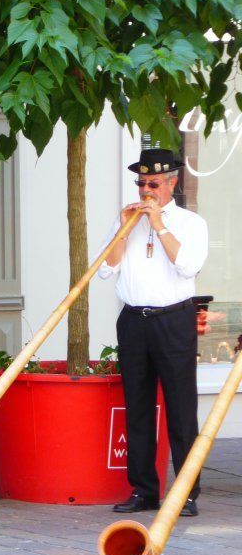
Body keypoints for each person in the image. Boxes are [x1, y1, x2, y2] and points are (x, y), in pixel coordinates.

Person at [99, 148, 209, 517]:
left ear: (172, 183)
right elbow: (105, 269)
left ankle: (186, 493)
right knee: (138, 410)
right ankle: (143, 490)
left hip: (173, 321)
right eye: (142, 183)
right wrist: (123, 228)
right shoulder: (127, 223)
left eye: (154, 184)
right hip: (134, 321)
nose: (147, 191)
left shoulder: (191, 223)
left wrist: (159, 225)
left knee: (181, 410)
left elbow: (188, 266)